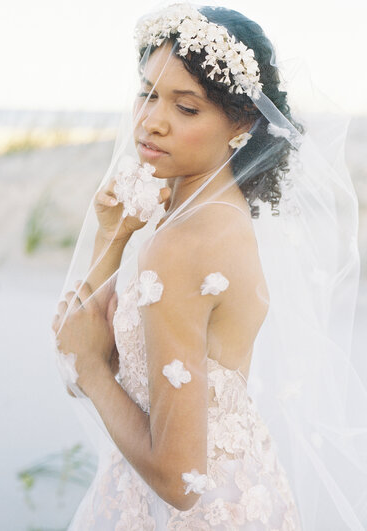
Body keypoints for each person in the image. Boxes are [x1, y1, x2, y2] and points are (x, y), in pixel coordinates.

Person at [51, 2, 367, 529]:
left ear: (241, 123)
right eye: (147, 92)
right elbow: (79, 343)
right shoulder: (205, 215)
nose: (152, 120)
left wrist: (91, 370)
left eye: (186, 107)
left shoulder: (186, 245)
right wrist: (113, 236)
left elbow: (179, 481)